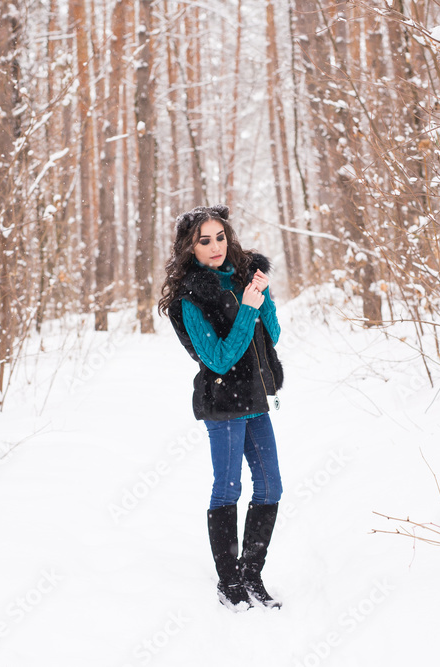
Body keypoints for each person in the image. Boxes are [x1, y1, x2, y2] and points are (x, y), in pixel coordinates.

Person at [158, 204, 285, 611]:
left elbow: (273, 334)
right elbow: (218, 358)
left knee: (270, 486)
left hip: (256, 400)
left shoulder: (240, 277)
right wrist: (247, 308)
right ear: (189, 249)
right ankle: (228, 581)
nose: (215, 247)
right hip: (223, 402)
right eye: (204, 240)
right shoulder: (190, 299)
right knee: (228, 487)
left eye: (220, 237)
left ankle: (252, 574)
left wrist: (260, 296)